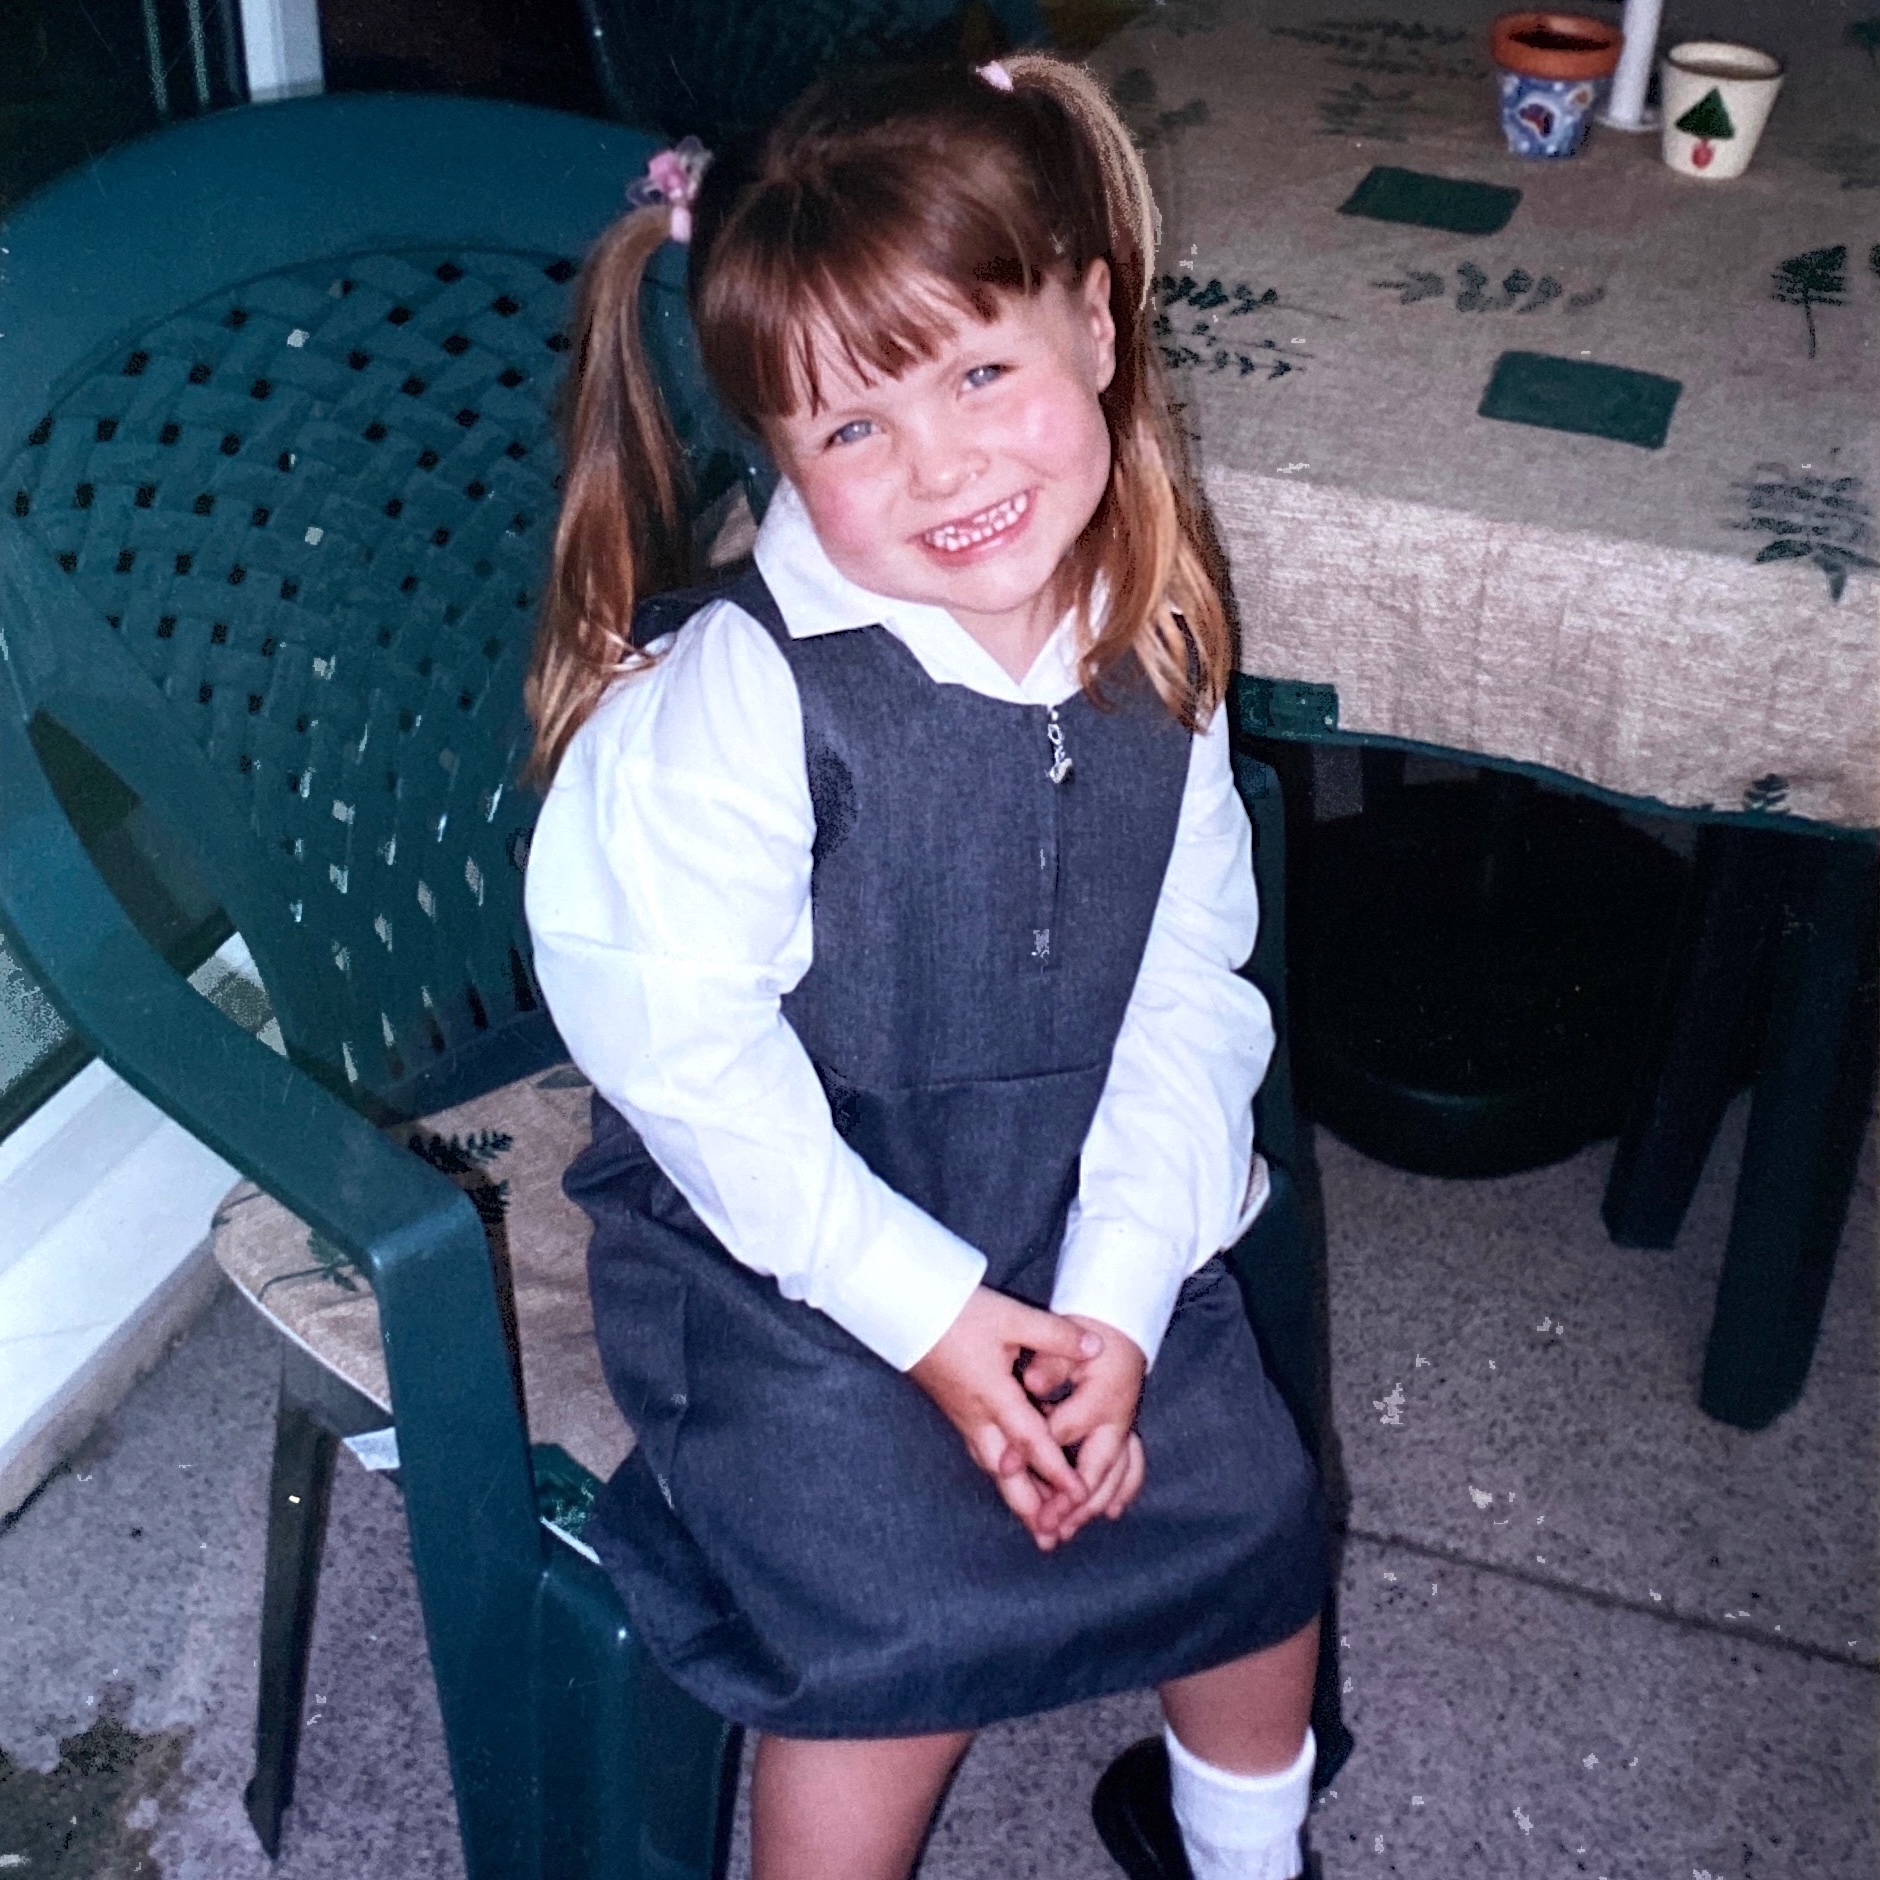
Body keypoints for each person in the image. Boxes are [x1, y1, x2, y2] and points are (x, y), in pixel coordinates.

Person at [523, 52, 1329, 1880]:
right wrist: (931, 1317)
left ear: (1097, 327)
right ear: (777, 452)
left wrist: (1116, 1304)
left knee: (1250, 1531)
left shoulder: (1155, 638)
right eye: (853, 431)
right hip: (788, 1234)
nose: (943, 467)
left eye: (978, 375)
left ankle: (1245, 1851)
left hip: (1076, 1189)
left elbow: (1187, 987)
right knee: (889, 1640)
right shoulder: (741, 700)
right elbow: (684, 1057)